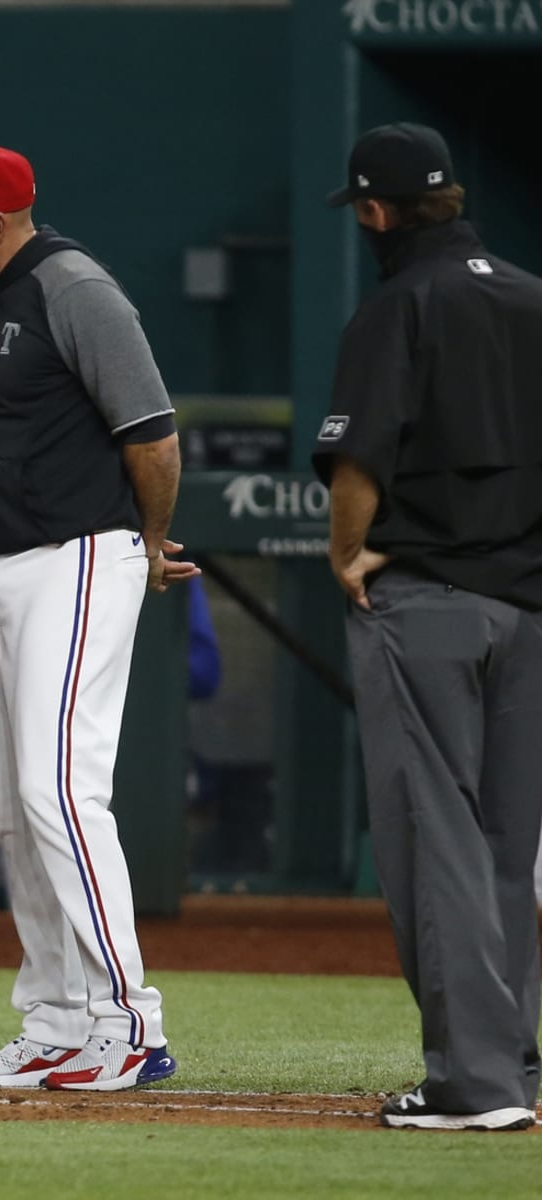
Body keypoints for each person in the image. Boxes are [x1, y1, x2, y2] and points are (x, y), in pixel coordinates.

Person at [0, 135, 197, 1091]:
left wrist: (144, 540)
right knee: (17, 810)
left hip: (80, 554)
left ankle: (129, 1022)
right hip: (7, 565)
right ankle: (58, 1018)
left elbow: (152, 432)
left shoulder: (74, 286)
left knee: (62, 793)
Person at [315, 122, 542, 1132]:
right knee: (502, 847)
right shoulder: (534, 297)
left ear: (375, 210)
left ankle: (473, 1085)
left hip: (429, 603)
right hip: (530, 609)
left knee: (435, 841)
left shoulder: (398, 304)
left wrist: (347, 554)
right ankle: (513, 1064)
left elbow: (359, 465)